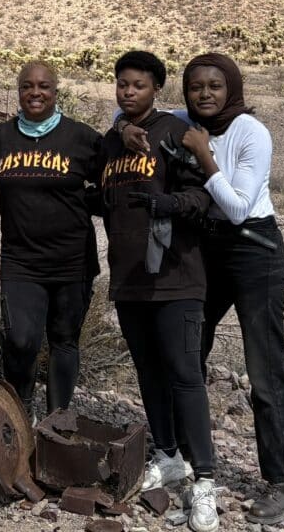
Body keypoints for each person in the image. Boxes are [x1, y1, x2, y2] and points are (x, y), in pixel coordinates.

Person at [178, 53, 284, 526]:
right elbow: (126, 111)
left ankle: (283, 480)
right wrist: (126, 127)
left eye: (214, 85)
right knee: (188, 348)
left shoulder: (251, 132)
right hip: (206, 248)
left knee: (264, 367)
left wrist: (204, 155)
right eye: (195, 87)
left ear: (231, 88)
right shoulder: (182, 122)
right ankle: (185, 454)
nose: (204, 94)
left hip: (254, 248)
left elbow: (237, 207)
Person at [102, 51, 217, 532]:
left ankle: (206, 480)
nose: (129, 93)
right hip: (129, 279)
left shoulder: (175, 133)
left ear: (157, 90)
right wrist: (115, 135)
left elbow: (203, 193)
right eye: (123, 85)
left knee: (185, 375)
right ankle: (168, 455)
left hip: (176, 279)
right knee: (149, 372)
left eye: (139, 86)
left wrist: (171, 203)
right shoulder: (112, 142)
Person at [0, 61, 102, 416]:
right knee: (20, 341)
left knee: (65, 340)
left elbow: (109, 180)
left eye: (44, 86)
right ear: (18, 90)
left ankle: (58, 422)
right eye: (27, 86)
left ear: (56, 90)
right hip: (22, 262)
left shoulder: (82, 138)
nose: (36, 93)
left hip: (73, 261)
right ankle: (21, 415)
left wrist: (96, 201)